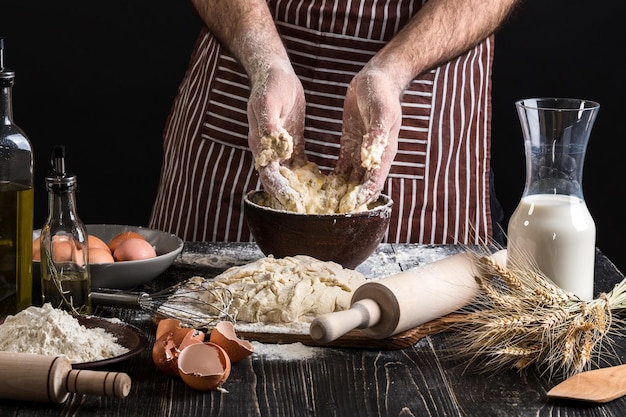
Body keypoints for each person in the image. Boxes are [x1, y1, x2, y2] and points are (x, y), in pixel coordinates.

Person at [149, 0, 518, 245]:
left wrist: (393, 72)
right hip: (246, 79)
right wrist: (265, 61)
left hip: (420, 92)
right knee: (202, 306)